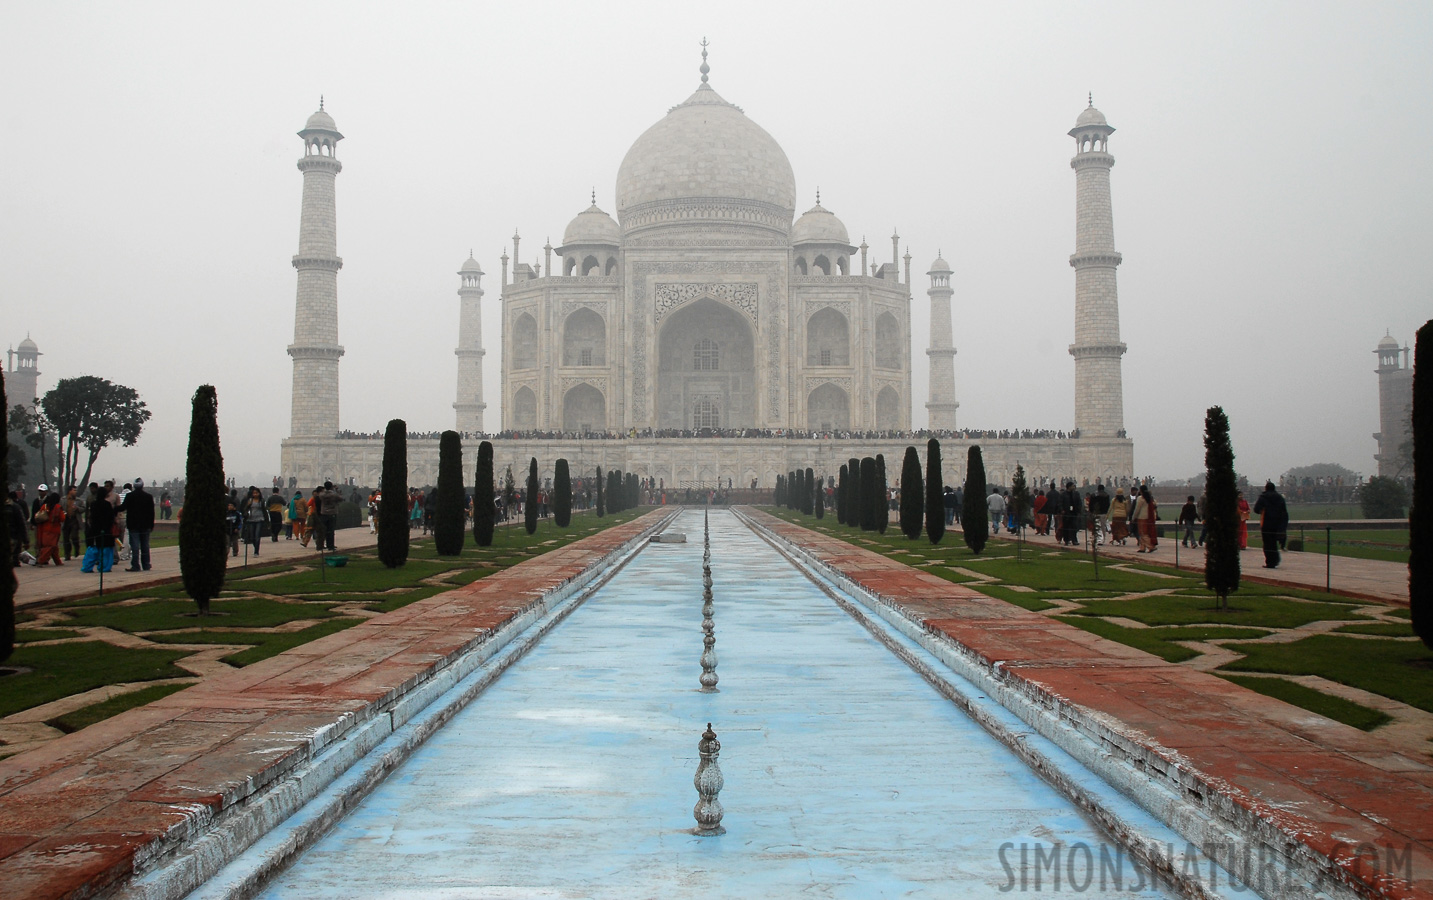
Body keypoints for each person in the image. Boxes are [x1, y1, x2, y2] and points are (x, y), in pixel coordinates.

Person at [1253, 481, 1290, 569]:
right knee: (1273, 542)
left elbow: (1256, 509)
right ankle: (1275, 560)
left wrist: (1262, 510)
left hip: (1266, 523)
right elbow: (1284, 512)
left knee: (1267, 543)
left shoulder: (1263, 497)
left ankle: (1270, 562)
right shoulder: (1280, 498)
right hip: (1277, 523)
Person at [121, 478, 156, 571]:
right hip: (145, 524)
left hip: (133, 525)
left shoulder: (130, 496)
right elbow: (151, 512)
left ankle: (135, 565)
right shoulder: (148, 497)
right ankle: (146, 564)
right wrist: (151, 524)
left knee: (135, 546)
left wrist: (112, 509)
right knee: (145, 545)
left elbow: (123, 507)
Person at [82, 485, 117, 573]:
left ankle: (87, 567)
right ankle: (104, 567)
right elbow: (111, 517)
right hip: (106, 530)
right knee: (106, 550)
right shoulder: (107, 504)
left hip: (95, 529)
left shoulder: (93, 504)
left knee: (93, 550)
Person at [32, 491, 64, 566]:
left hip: (44, 529)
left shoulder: (45, 506)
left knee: (53, 547)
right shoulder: (58, 507)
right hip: (54, 530)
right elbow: (62, 518)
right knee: (50, 546)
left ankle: (57, 561)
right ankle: (41, 560)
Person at [317, 481, 341, 551]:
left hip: (324, 513)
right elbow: (340, 498)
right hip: (332, 513)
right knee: (331, 530)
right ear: (331, 487)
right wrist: (336, 490)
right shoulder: (334, 495)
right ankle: (330, 546)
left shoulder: (321, 495)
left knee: (322, 530)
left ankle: (320, 546)